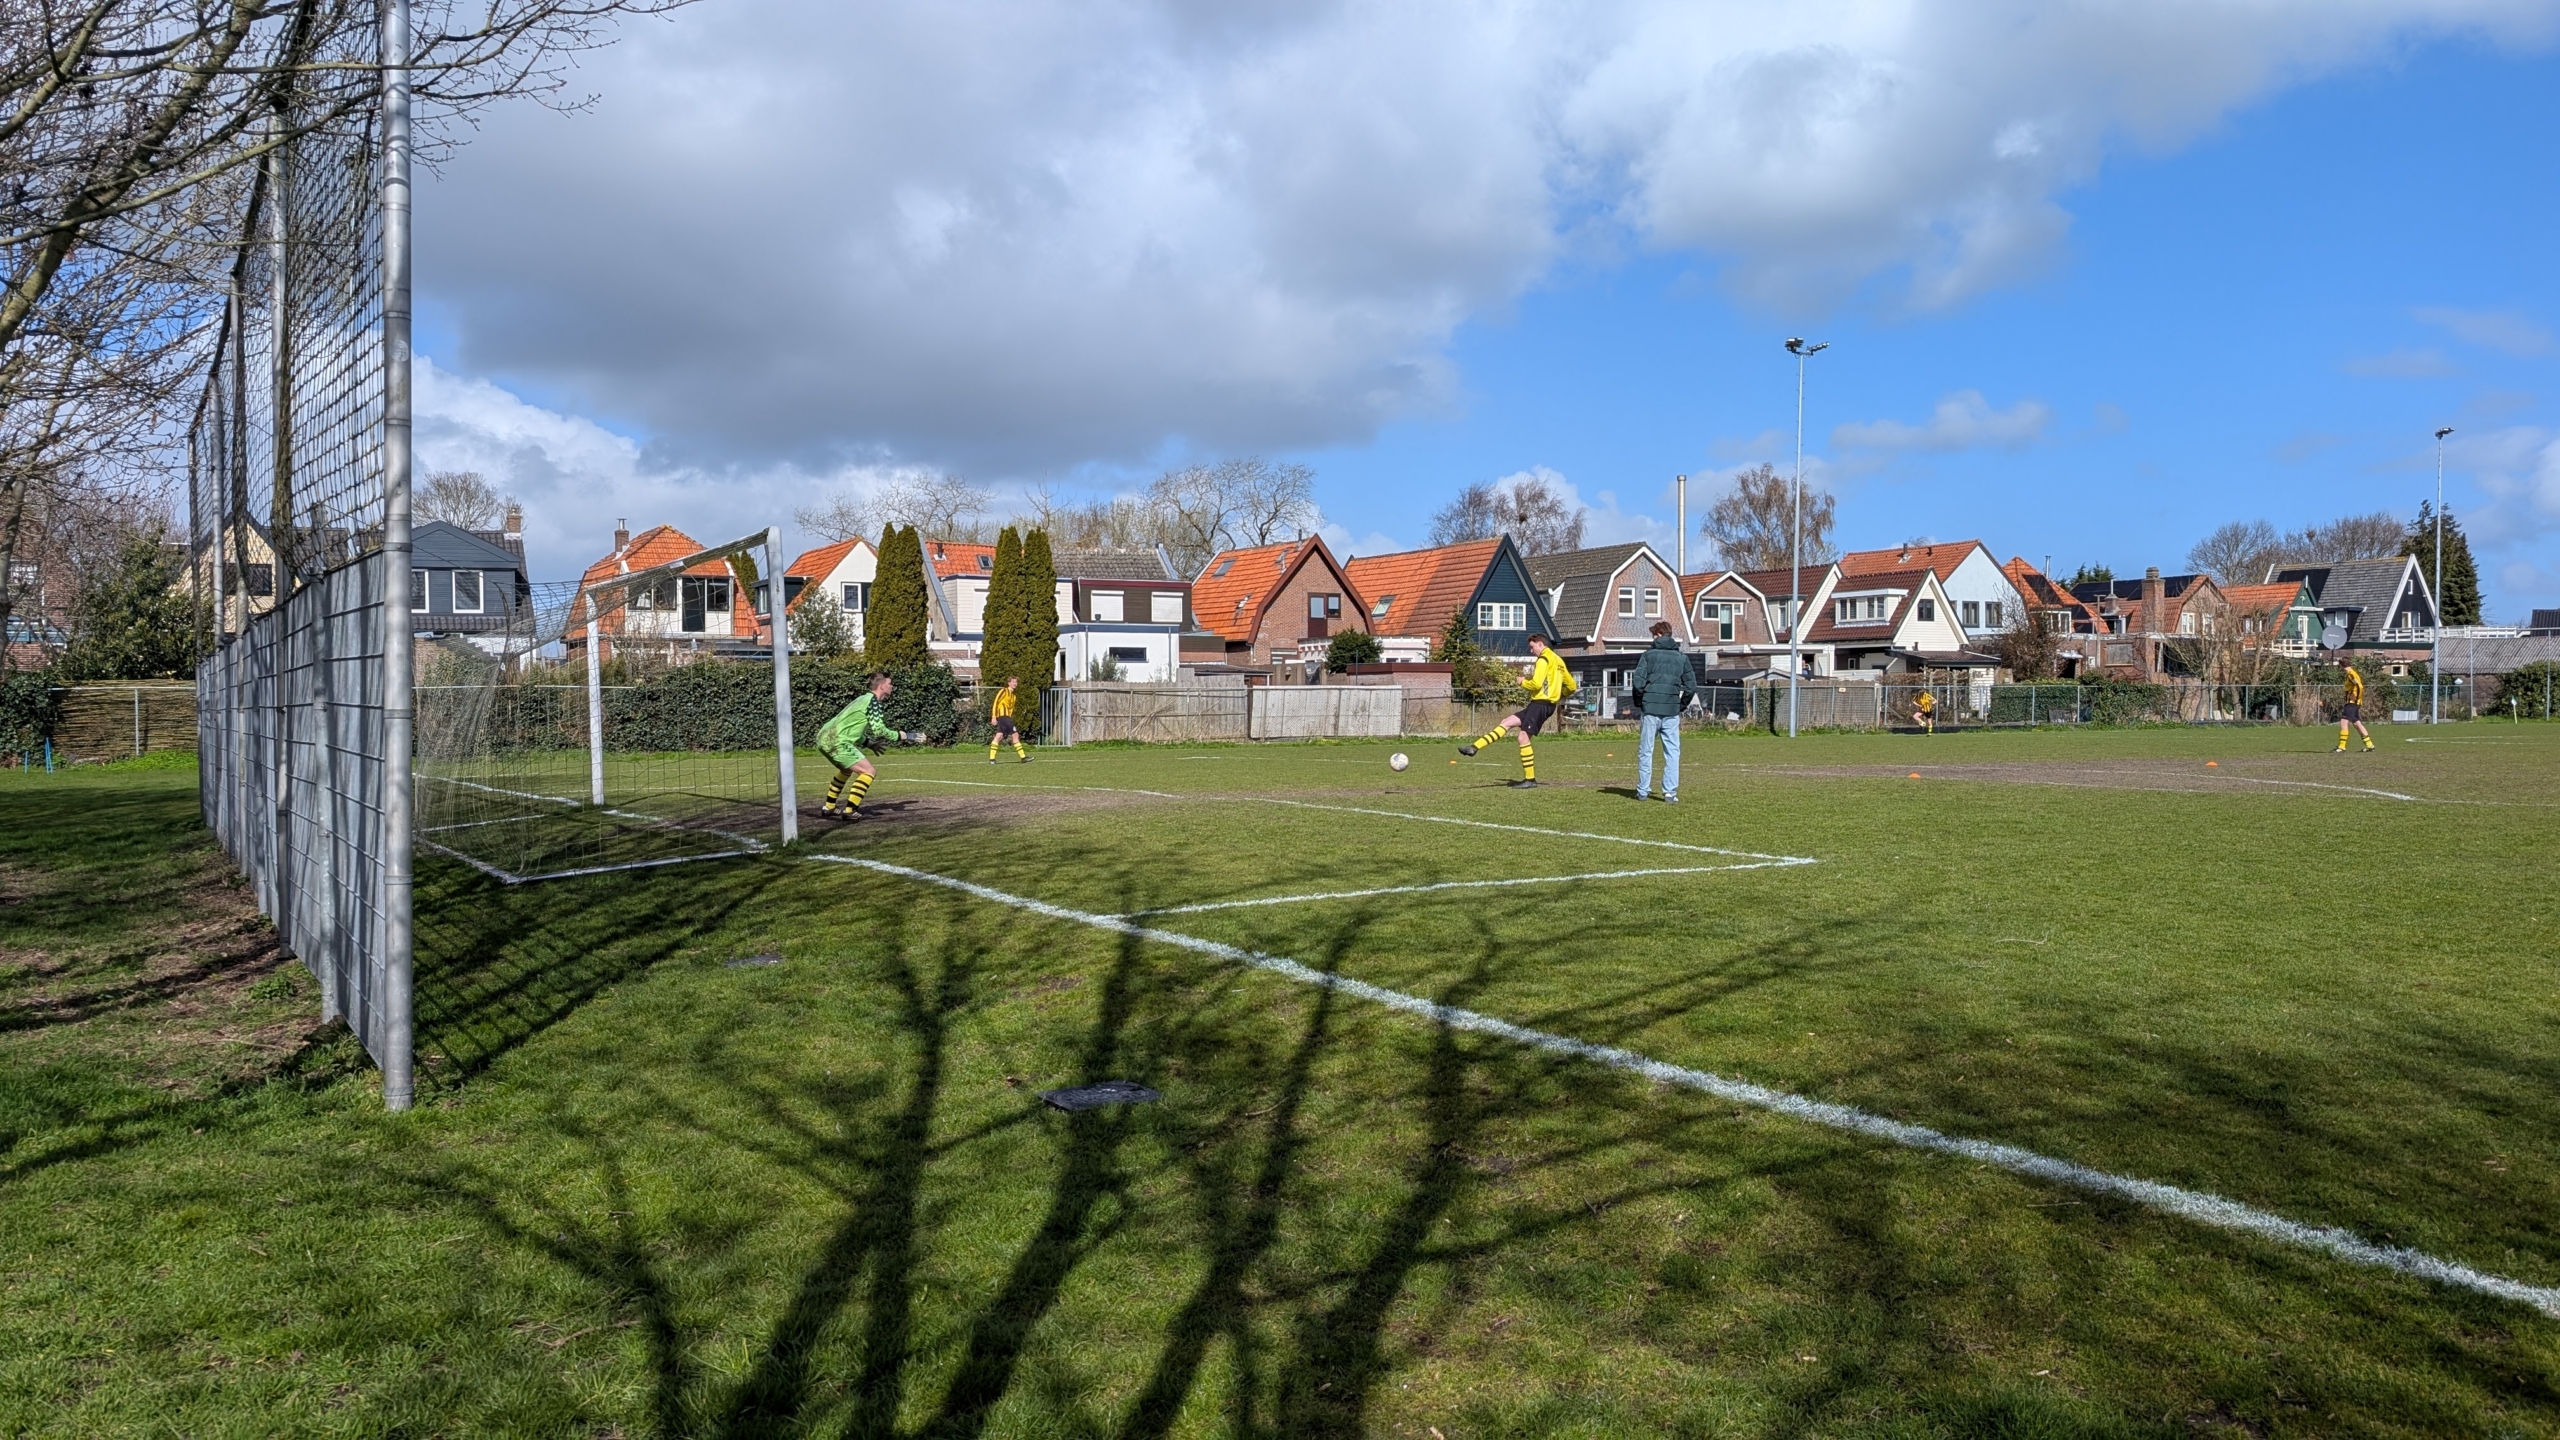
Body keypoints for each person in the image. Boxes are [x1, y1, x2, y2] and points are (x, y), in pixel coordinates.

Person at [1459, 634, 1576, 787]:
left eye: (1532, 647)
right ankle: (1474, 748)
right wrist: (1558, 695)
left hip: (1540, 704)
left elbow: (1536, 684)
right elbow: (1572, 686)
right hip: (1543, 704)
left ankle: (1530, 780)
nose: (1531, 651)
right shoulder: (1558, 660)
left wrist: (1522, 682)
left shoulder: (1543, 659)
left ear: (1540, 644)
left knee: (1523, 738)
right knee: (1506, 722)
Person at [815, 671, 920, 820]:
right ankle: (850, 810)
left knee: (845, 770)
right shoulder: (873, 703)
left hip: (824, 737)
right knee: (868, 772)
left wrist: (869, 744)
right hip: (837, 741)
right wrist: (902, 736)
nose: (892, 686)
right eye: (890, 684)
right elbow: (879, 730)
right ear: (882, 686)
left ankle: (829, 807)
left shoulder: (862, 699)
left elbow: (851, 729)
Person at [1628, 621, 1695, 802]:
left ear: (1658, 635)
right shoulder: (1682, 658)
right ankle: (1670, 792)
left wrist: (1640, 702)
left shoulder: (1648, 656)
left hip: (1650, 709)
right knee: (1672, 752)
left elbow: (1638, 683)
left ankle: (1643, 790)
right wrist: (1681, 705)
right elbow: (1691, 687)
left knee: (1646, 751)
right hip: (1671, 711)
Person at [987, 675, 1030, 763]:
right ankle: (1023, 757)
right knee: (1015, 735)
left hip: (1007, 717)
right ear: (1009, 683)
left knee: (999, 736)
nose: (1015, 683)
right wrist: (994, 716)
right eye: (1013, 682)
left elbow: (1011, 709)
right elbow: (995, 702)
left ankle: (992, 759)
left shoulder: (1014, 696)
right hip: (1003, 716)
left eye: (1016, 682)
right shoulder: (1003, 691)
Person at [2336, 661, 2374, 752]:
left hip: (2352, 702)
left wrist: (2356, 697)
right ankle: (2370, 745)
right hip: (2353, 702)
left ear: (2341, 666)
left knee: (2344, 722)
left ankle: (2342, 747)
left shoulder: (2351, 674)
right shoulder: (2351, 673)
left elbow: (2359, 686)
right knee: (2357, 723)